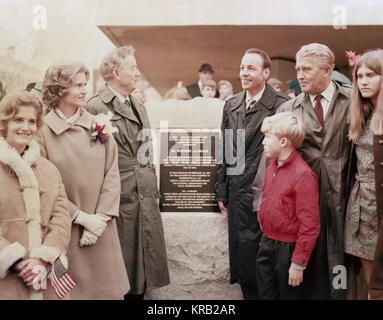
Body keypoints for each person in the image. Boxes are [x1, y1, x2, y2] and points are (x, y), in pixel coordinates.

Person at [253, 43, 351, 299]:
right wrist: (263, 207)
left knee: (341, 270)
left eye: (307, 69)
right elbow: (270, 163)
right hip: (300, 207)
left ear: (327, 70)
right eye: (298, 69)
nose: (300, 75)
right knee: (305, 278)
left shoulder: (351, 102)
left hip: (343, 203)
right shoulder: (287, 110)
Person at [38, 61, 130, 300]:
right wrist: (81, 218)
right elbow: (43, 187)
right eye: (77, 85)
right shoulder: (42, 133)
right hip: (65, 229)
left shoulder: (99, 125)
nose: (84, 90)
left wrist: (100, 219)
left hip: (101, 230)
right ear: (59, 90)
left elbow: (112, 174)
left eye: (85, 84)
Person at [85, 45, 170, 300]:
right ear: (114, 72)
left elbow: (146, 151)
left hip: (143, 196)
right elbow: (92, 162)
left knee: (142, 274)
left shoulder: (136, 104)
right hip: (120, 199)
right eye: (132, 68)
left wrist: (152, 189)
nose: (138, 73)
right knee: (121, 274)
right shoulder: (95, 107)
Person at [215, 48, 289, 299]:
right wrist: (221, 188)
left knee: (267, 264)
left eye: (251, 68)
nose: (244, 73)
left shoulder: (281, 105)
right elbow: (224, 148)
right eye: (242, 67)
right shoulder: (232, 104)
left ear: (266, 73)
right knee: (244, 266)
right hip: (237, 194)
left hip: (267, 195)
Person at [0, 91, 71, 300]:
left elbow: (61, 218)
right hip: (8, 282)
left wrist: (43, 259)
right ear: (5, 123)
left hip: (45, 279)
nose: (26, 127)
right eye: (18, 120)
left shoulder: (49, 170)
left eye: (31, 121)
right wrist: (16, 261)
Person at [255, 112, 320, 299]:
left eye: (267, 137)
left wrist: (299, 263)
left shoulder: (303, 175)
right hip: (267, 244)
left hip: (289, 250)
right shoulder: (271, 168)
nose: (263, 142)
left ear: (283, 142)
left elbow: (310, 225)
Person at [344, 49, 383, 300]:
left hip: (380, 205)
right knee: (372, 287)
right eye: (359, 76)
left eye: (371, 75)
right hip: (360, 206)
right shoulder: (361, 114)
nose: (364, 81)